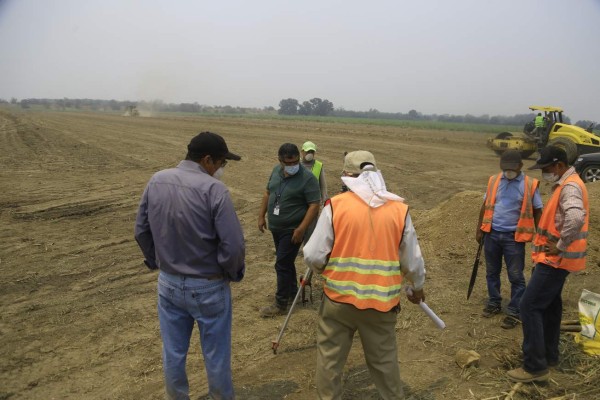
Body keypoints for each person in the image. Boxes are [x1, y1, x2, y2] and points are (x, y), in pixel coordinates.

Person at [303, 150, 426, 400]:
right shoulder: (398, 210)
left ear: (347, 176)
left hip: (338, 300)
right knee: (384, 364)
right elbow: (412, 261)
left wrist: (324, 271)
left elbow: (313, 254)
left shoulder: (335, 206)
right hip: (380, 306)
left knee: (329, 361)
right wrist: (418, 286)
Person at [134, 131, 245, 400]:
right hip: (208, 285)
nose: (220, 169)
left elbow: (141, 229)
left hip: (168, 283)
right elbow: (233, 246)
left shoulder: (157, 180)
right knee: (216, 354)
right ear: (207, 160)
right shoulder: (214, 190)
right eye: (221, 163)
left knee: (173, 351)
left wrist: (156, 261)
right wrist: (231, 273)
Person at [507, 146, 589, 383]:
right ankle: (550, 355)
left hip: (555, 260)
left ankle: (534, 367)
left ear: (559, 166)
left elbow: (575, 217)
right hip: (557, 260)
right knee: (551, 306)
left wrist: (561, 245)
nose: (544, 173)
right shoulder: (567, 183)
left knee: (528, 305)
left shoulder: (570, 187)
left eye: (546, 168)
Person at [476, 150, 543, 329]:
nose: (508, 171)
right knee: (492, 272)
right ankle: (494, 302)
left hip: (514, 238)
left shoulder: (529, 184)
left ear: (520, 166)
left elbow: (538, 211)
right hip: (492, 234)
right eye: (505, 168)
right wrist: (479, 230)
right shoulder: (494, 180)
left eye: (512, 168)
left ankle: (514, 310)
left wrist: (541, 236)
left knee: (515, 276)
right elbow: (485, 206)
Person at [258, 143, 320, 317]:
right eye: (288, 163)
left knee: (282, 264)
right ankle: (293, 292)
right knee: (286, 262)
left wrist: (301, 229)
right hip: (276, 227)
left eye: (295, 162)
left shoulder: (307, 178)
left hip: (293, 230)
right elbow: (267, 193)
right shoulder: (276, 172)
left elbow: (314, 205)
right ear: (280, 161)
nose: (292, 166)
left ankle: (280, 303)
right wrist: (261, 216)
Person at [300, 141, 328, 246]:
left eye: (312, 151)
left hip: (313, 202)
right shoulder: (296, 164)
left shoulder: (319, 165)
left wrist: (324, 198)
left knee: (311, 225)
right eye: (308, 151)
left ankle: (308, 246)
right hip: (299, 200)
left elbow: (323, 184)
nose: (310, 153)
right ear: (302, 152)